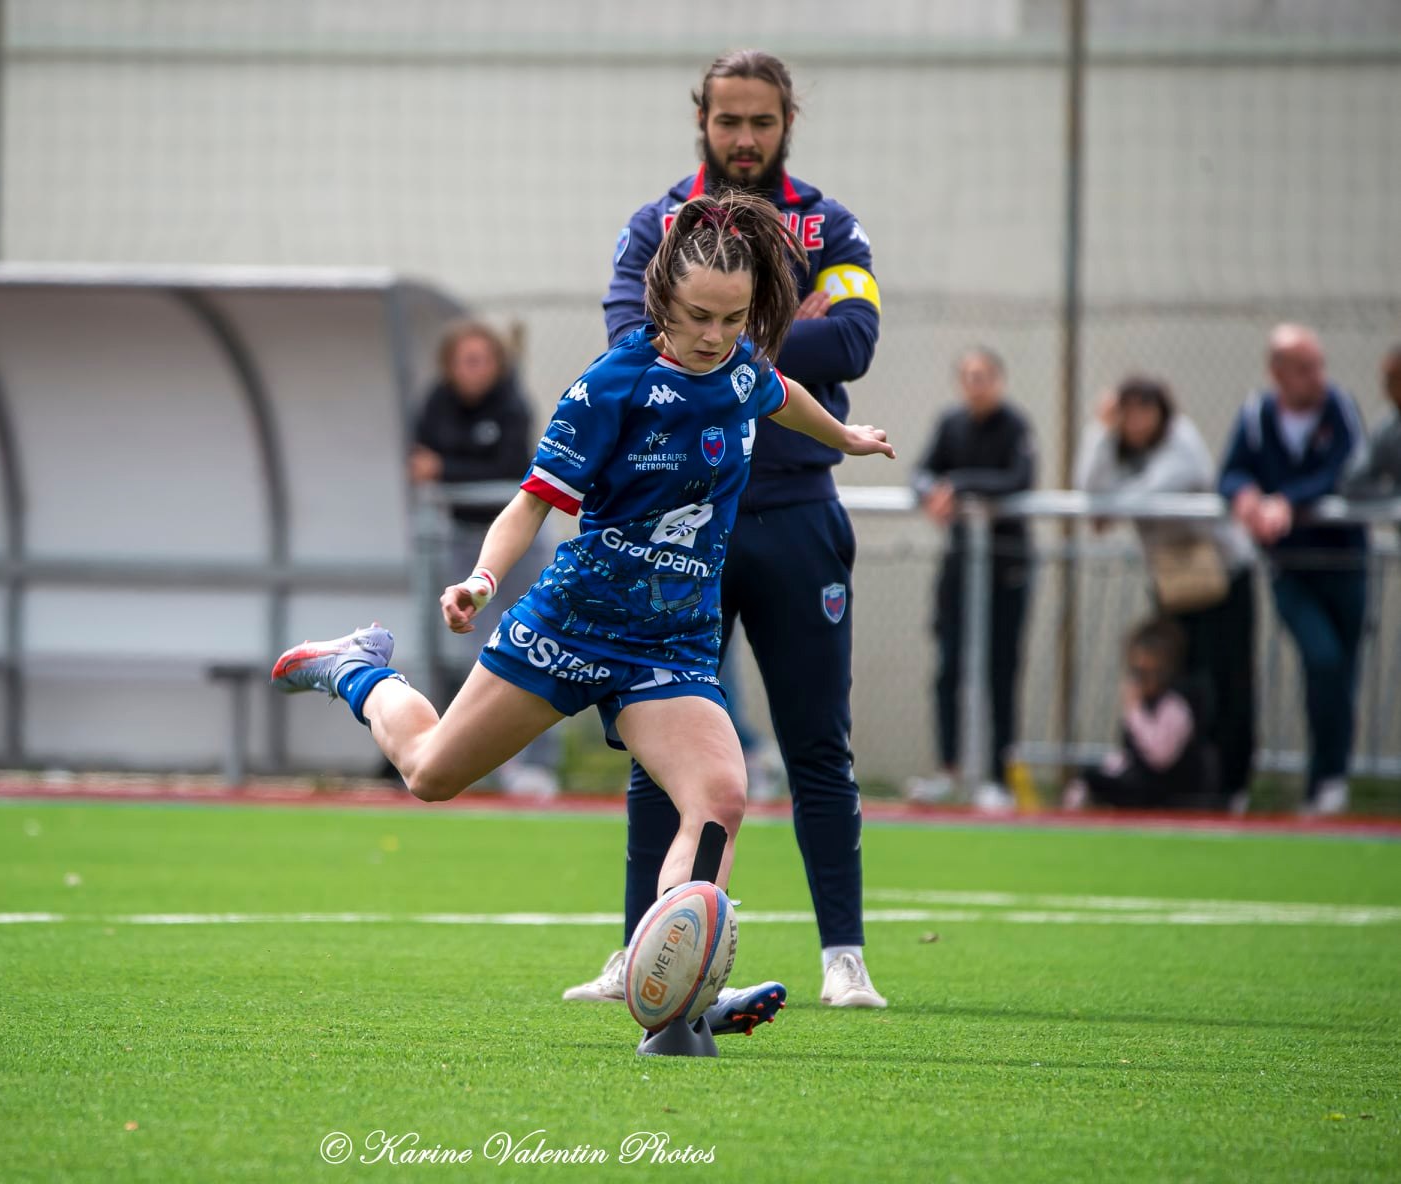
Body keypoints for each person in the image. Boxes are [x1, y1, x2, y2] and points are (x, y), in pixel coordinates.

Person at [272, 192, 895, 1042]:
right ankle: (357, 667)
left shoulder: (741, 370)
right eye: (698, 317)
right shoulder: (609, 387)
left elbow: (781, 392)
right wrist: (483, 583)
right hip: (571, 626)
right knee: (429, 773)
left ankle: (673, 1011)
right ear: (661, 302)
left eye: (733, 319)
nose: (715, 336)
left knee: (717, 796)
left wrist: (845, 438)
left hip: (669, 646)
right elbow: (530, 505)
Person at [571, 48, 889, 1016]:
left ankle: (846, 957)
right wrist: (783, 316)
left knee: (815, 746)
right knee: (658, 749)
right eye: (726, 121)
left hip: (797, 518)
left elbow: (856, 344)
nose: (743, 138)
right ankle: (639, 953)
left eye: (760, 121)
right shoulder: (653, 223)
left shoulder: (831, 225)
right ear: (701, 121)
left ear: (786, 119)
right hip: (676, 528)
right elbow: (633, 338)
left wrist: (711, 323)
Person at [1076, 375, 1258, 810]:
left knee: (1228, 681)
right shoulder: (1120, 447)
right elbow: (1090, 493)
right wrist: (1099, 432)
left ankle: (1232, 785)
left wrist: (1111, 503)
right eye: (1128, 411)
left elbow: (1144, 497)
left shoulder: (1183, 441)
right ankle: (1185, 784)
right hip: (1174, 582)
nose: (1136, 421)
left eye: (1145, 409)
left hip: (1223, 578)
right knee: (1177, 682)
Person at [1219, 324, 1368, 815]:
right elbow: (1232, 469)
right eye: (1304, 368)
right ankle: (1321, 777)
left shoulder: (1338, 409)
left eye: (1319, 365)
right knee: (1320, 657)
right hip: (1291, 566)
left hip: (1342, 563)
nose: (1316, 377)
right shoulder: (1256, 415)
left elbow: (1347, 469)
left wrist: (1288, 500)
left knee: (1340, 671)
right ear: (1278, 372)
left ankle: (1328, 779)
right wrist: (1244, 495)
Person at [408, 320, 559, 797]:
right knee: (483, 654)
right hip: (463, 540)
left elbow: (511, 467)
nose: (475, 370)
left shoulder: (513, 405)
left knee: (535, 645)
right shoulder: (436, 404)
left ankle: (536, 765)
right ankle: (484, 761)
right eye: (465, 360)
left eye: (484, 359)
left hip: (517, 548)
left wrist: (448, 468)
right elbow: (418, 462)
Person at [905, 348, 1037, 813]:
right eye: (968, 376)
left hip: (1007, 568)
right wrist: (930, 492)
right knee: (948, 667)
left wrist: (957, 485)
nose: (976, 384)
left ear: (999, 379)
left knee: (1002, 670)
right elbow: (920, 473)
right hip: (960, 564)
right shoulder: (951, 424)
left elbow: (1019, 479)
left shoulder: (1016, 426)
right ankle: (950, 769)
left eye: (985, 376)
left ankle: (998, 775)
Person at [1062, 619, 1215, 810]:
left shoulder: (1175, 706)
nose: (1142, 680)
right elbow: (1130, 753)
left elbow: (1160, 756)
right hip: (1143, 782)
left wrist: (1134, 712)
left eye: (1149, 672)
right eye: (1136, 672)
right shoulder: (1143, 705)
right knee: (1090, 778)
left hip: (1170, 787)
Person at [1342, 344, 1401, 507]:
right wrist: (1395, 494)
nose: (1387, 387)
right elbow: (1353, 482)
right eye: (1387, 379)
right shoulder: (1389, 429)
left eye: (1395, 378)